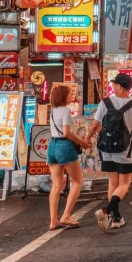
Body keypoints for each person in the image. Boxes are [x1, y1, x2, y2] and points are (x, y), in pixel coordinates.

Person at [87, 73, 132, 232]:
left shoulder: (105, 102)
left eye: (114, 84)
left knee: (113, 183)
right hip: (125, 151)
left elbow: (95, 125)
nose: (112, 86)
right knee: (124, 184)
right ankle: (106, 212)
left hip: (106, 149)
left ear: (120, 86)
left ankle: (116, 218)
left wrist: (86, 139)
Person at [46, 84, 89, 231]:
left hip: (52, 146)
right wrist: (82, 142)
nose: (72, 96)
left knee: (56, 185)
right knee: (77, 181)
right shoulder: (65, 110)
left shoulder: (53, 110)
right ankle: (66, 215)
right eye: (70, 94)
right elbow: (67, 133)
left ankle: (53, 221)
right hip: (65, 146)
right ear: (63, 96)